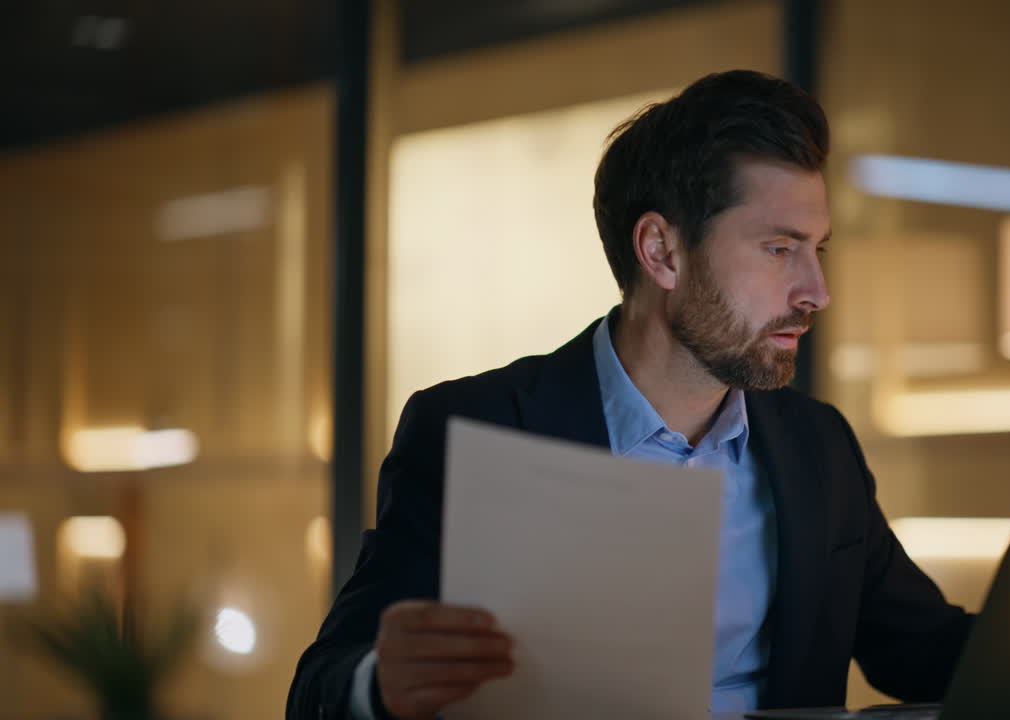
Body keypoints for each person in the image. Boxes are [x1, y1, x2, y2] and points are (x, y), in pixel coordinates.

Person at [286, 69, 972, 720]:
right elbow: (321, 687)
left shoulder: (819, 445)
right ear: (661, 252)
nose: (816, 292)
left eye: (817, 249)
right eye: (778, 249)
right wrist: (380, 683)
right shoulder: (474, 428)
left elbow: (927, 652)